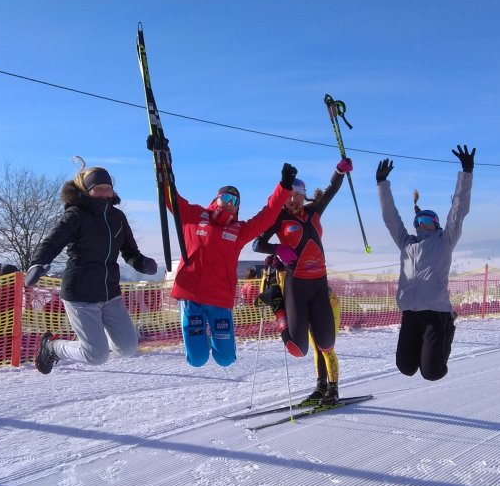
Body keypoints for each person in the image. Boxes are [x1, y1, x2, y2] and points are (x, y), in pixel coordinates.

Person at [148, 132, 297, 367]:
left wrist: (284, 188)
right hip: (191, 297)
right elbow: (169, 196)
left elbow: (267, 216)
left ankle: (216, 342)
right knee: (196, 359)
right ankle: (195, 335)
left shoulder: (239, 231)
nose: (230, 203)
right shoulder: (194, 216)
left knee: (225, 359)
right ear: (216, 198)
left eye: (235, 201)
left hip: (219, 300)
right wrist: (161, 161)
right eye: (226, 197)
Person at [24, 158, 157, 374]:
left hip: (110, 293)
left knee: (128, 347)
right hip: (80, 294)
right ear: (87, 191)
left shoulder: (118, 217)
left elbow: (130, 252)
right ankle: (53, 347)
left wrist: (143, 263)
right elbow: (53, 242)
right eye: (99, 189)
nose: (105, 193)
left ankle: (97, 339)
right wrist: (38, 263)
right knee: (96, 356)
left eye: (108, 188)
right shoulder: (76, 215)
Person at [253, 159, 351, 404]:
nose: (295, 199)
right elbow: (257, 244)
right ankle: (278, 307)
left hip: (319, 284)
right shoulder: (278, 217)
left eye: (299, 195)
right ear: (284, 197)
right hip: (295, 284)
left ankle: (327, 389)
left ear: (304, 196)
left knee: (325, 342)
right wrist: (277, 248)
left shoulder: (314, 211)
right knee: (298, 348)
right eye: (290, 195)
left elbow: (332, 190)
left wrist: (339, 170)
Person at [376, 145, 474, 380]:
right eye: (419, 219)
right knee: (406, 368)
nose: (423, 222)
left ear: (437, 223)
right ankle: (424, 351)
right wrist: (382, 184)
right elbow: (391, 218)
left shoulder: (445, 240)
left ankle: (448, 326)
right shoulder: (407, 243)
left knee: (432, 373)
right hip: (410, 313)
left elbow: (458, 211)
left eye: (428, 219)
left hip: (435, 314)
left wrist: (466, 172)